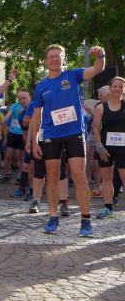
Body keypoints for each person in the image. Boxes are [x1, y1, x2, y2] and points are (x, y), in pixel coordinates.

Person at [31, 44, 105, 236]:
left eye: (58, 56)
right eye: (51, 56)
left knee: (79, 176)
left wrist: (100, 55)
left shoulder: (73, 75)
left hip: (74, 134)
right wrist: (34, 141)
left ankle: (85, 220)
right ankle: (53, 216)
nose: (54, 59)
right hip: (51, 135)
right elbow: (36, 116)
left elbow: (98, 68)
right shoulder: (41, 86)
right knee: (52, 176)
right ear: (46, 61)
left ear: (63, 58)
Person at [92, 76, 125, 219]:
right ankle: (108, 208)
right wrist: (99, 146)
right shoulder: (101, 107)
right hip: (105, 149)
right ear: (110, 89)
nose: (118, 89)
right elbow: (95, 128)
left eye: (121, 86)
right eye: (115, 86)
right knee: (106, 178)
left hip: (123, 148)